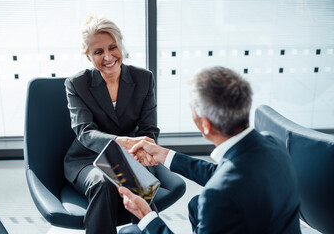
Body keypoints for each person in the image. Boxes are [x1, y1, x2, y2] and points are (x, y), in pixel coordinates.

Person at [118, 66, 301, 234]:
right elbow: (226, 174)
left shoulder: (217, 196)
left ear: (205, 124)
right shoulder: (273, 143)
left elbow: (225, 182)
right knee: (196, 206)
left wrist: (146, 215)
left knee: (130, 232)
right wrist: (163, 154)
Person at [63, 15, 161, 234]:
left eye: (112, 47)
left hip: (132, 155)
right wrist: (122, 142)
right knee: (104, 182)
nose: (108, 57)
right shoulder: (76, 84)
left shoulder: (143, 78)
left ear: (120, 45)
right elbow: (85, 132)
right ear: (88, 56)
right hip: (89, 158)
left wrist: (140, 152)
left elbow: (149, 129)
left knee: (134, 181)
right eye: (98, 52)